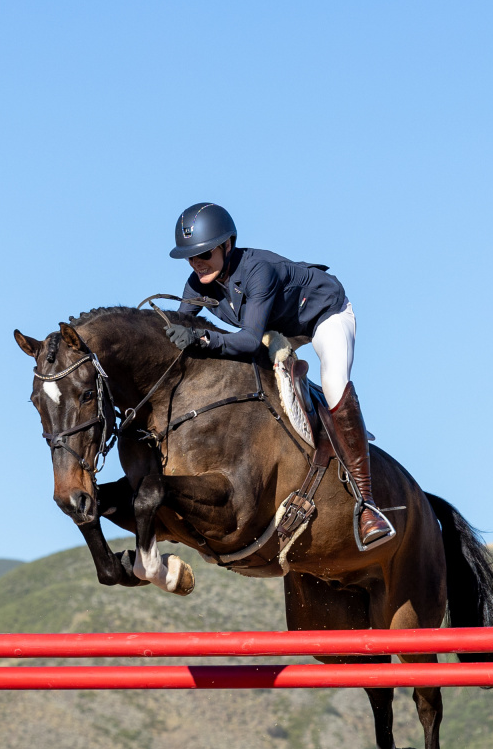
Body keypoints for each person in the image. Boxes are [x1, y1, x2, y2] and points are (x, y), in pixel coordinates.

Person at [163, 202, 394, 547]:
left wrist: (204, 338)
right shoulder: (197, 284)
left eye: (205, 254)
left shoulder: (259, 271)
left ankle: (367, 505)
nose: (197, 263)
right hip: (277, 329)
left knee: (333, 384)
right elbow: (183, 327)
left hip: (322, 315)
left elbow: (247, 340)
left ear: (228, 245)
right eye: (190, 257)